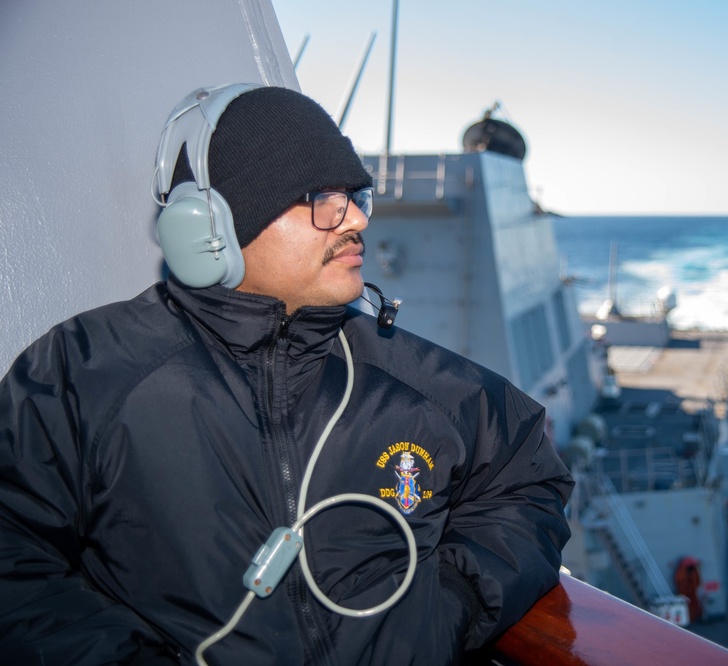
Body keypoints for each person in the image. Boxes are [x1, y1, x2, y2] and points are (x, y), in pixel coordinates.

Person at [0, 84, 574, 665]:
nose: (355, 219)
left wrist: (445, 609)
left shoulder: (421, 382)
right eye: (324, 197)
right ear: (212, 229)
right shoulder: (84, 373)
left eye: (356, 196)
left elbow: (528, 483)